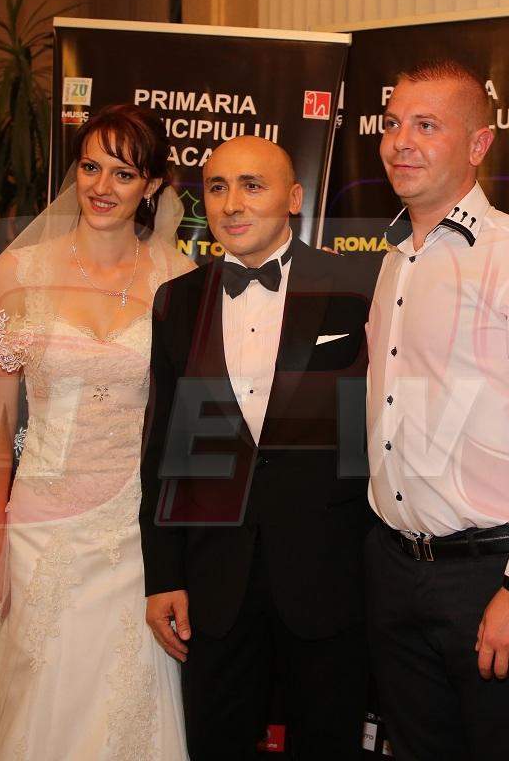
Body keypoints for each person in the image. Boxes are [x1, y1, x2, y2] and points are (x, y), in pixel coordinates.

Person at [0, 104, 193, 759]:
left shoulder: (179, 278)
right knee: (38, 695)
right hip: (41, 525)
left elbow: (185, 424)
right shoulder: (18, 274)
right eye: (91, 167)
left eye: (123, 174)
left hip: (133, 530)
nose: (102, 187)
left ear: (152, 185)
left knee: (125, 702)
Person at [362, 58, 509, 760]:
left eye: (427, 126)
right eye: (393, 124)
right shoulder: (394, 261)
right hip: (393, 568)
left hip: (488, 573)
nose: (401, 142)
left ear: (479, 144)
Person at [139, 135, 381, 761]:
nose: (232, 204)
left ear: (294, 198)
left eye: (253, 185)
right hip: (215, 577)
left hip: (328, 571)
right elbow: (164, 445)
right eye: (217, 187)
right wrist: (164, 575)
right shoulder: (177, 301)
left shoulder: (360, 283)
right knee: (215, 742)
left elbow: (385, 427)